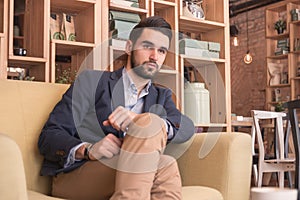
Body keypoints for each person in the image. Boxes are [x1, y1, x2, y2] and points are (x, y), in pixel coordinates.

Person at [38, 16, 194, 200]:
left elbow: (186, 127)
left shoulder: (162, 95)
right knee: (154, 133)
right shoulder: (91, 81)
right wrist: (88, 149)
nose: (154, 56)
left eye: (161, 51)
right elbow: (49, 136)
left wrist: (140, 122)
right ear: (129, 47)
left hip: (128, 172)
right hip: (81, 174)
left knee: (164, 161)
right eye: (147, 46)